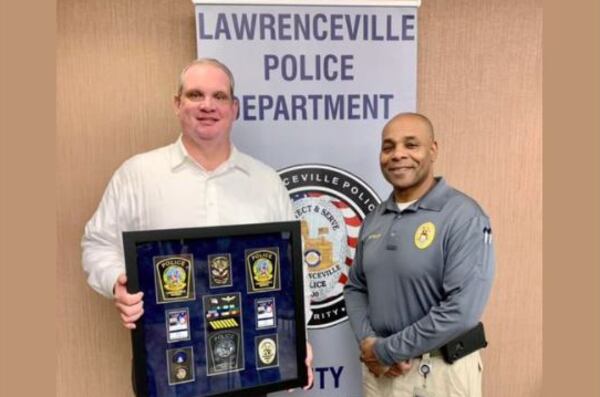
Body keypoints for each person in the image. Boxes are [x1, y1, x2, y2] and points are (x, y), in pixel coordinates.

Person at [81, 58, 313, 391]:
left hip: (250, 358)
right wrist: (117, 281)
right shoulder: (138, 175)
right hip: (167, 358)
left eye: (219, 97)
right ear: (177, 104)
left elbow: (293, 268)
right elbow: (97, 244)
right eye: (195, 95)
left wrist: (297, 338)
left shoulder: (266, 182)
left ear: (234, 108)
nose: (207, 105)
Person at [343, 112, 494, 397]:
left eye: (411, 145)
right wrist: (369, 342)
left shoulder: (464, 216)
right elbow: (355, 287)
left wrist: (387, 351)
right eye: (388, 147)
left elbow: (461, 310)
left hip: (440, 374)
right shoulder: (375, 218)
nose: (398, 154)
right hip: (381, 375)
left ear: (433, 150)